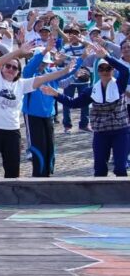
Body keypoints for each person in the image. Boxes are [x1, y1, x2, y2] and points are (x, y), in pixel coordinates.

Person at [0, 42, 74, 179]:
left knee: (13, 171)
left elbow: (43, 78)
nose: (11, 69)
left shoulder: (22, 84)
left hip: (12, 131)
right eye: (8, 66)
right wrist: (18, 52)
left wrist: (65, 71)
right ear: (2, 68)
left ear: (18, 72)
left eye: (15, 68)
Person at [47, 44, 130, 177]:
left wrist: (106, 57)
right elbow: (74, 103)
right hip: (101, 132)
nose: (105, 71)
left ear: (113, 70)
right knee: (100, 169)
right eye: (101, 68)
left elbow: (125, 71)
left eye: (108, 68)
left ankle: (122, 191)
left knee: (120, 168)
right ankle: (100, 190)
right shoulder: (91, 90)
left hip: (120, 132)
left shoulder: (119, 85)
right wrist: (56, 94)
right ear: (98, 71)